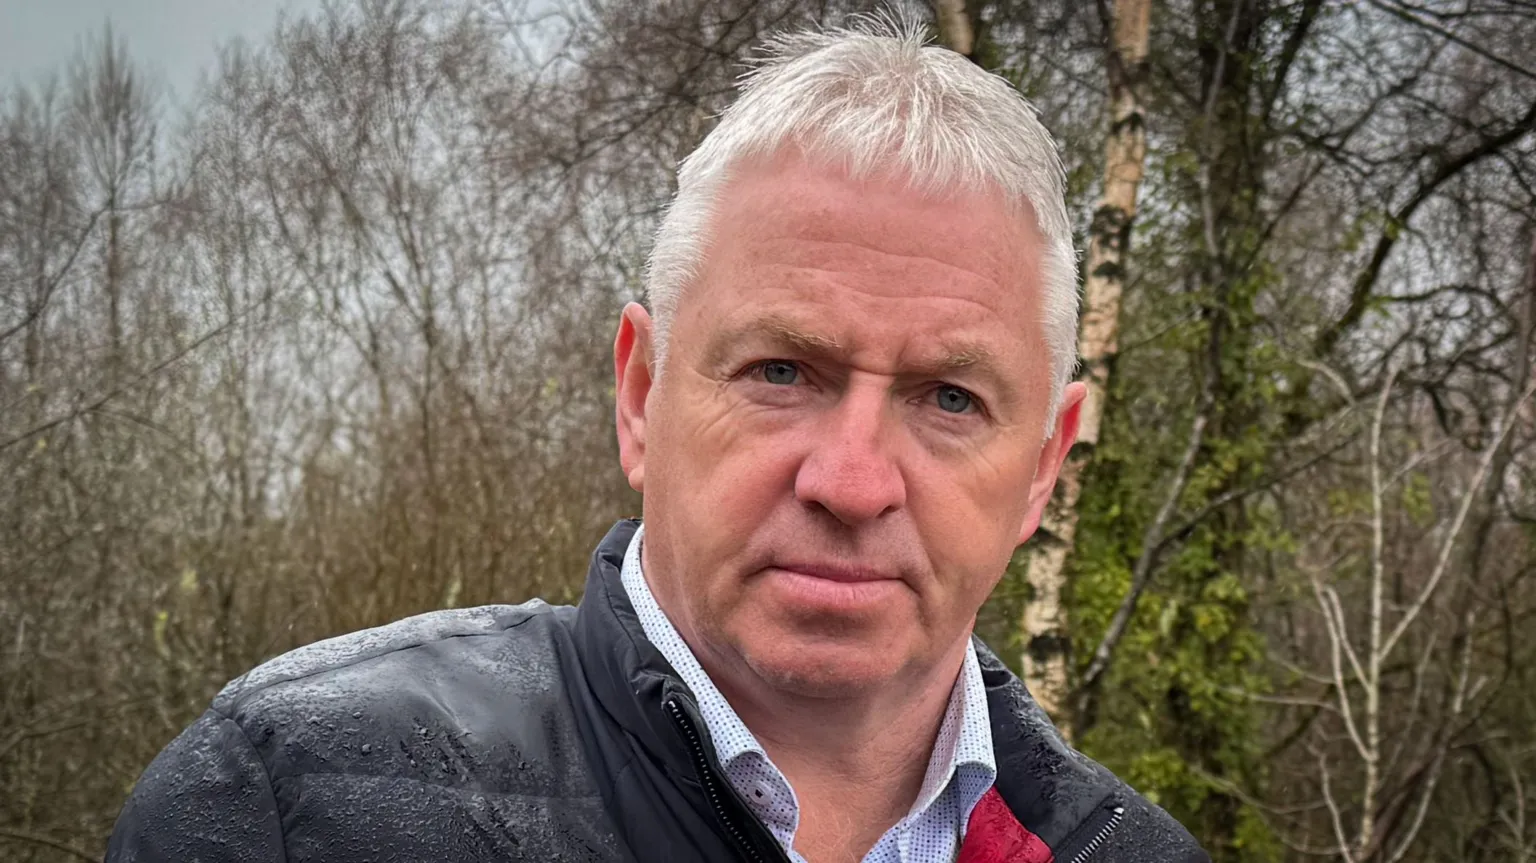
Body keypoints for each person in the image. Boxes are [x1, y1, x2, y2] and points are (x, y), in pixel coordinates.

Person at [106, 16, 1209, 863]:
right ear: (640, 395)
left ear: (1043, 467)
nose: (852, 479)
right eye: (782, 371)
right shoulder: (290, 802)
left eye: (951, 399)